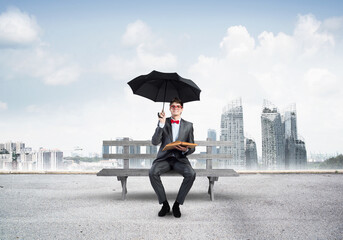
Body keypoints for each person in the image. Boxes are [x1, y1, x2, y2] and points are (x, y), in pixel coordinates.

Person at [149, 97, 196, 218]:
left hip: (180, 159)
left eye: (178, 106)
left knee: (191, 174)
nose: (175, 108)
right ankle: (164, 204)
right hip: (164, 159)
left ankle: (177, 204)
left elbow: (192, 147)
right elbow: (155, 142)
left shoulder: (188, 126)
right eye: (173, 106)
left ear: (182, 109)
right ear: (169, 108)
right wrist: (161, 123)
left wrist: (186, 149)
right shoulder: (163, 122)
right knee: (152, 172)